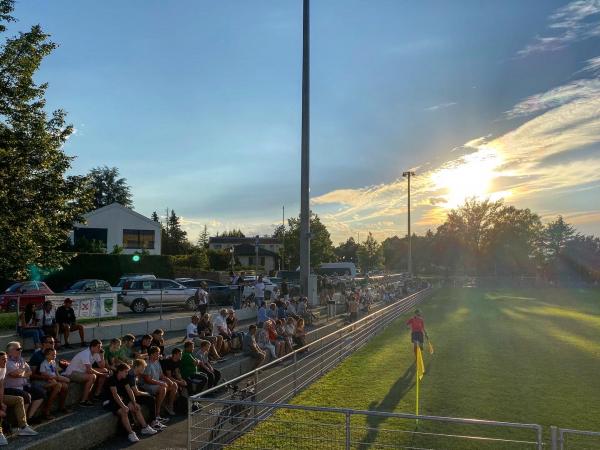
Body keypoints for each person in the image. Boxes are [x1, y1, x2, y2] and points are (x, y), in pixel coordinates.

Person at [104, 363, 157, 442]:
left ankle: (145, 427)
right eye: (125, 371)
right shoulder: (112, 379)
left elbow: (129, 391)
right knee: (124, 412)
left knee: (136, 407)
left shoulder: (124, 378)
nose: (127, 373)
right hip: (109, 401)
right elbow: (115, 395)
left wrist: (134, 402)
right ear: (120, 371)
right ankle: (131, 433)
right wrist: (124, 406)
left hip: (120, 399)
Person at [0, 351, 38, 442]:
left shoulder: (3, 368)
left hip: (1, 396)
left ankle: (23, 427)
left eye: (5, 359)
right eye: (2, 360)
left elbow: (1, 387)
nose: (5, 361)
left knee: (19, 399)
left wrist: (1, 402)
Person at [4, 342, 46, 421]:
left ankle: (29, 417)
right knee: (26, 396)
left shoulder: (21, 359)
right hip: (11, 388)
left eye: (21, 349)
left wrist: (21, 372)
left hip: (23, 385)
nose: (20, 351)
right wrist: (23, 371)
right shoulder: (7, 361)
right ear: (10, 351)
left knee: (41, 393)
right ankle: (22, 421)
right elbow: (15, 374)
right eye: (18, 349)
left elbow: (30, 371)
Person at [64, 339, 109, 407]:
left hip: (82, 371)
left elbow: (102, 366)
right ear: (92, 347)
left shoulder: (96, 353)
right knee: (92, 376)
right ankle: (83, 401)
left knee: (105, 370)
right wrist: (102, 374)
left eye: (101, 347)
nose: (100, 349)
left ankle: (97, 394)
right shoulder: (85, 354)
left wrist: (102, 355)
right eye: (98, 347)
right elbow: (89, 370)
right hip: (72, 373)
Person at [127, 359, 166, 430]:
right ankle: (153, 422)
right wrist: (147, 393)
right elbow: (136, 393)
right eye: (142, 367)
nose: (144, 369)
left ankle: (154, 420)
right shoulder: (131, 375)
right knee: (151, 398)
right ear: (136, 367)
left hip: (133, 394)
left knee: (151, 398)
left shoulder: (135, 373)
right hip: (129, 397)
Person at [140, 346, 177, 420]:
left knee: (174, 385)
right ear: (151, 355)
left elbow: (161, 375)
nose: (159, 355)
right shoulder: (147, 364)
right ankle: (157, 413)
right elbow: (147, 380)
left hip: (155, 383)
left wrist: (168, 380)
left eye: (159, 353)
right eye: (157, 353)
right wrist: (161, 383)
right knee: (162, 388)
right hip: (146, 385)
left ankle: (169, 407)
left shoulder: (157, 361)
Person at [38, 348, 70, 418]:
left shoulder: (53, 362)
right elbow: (43, 375)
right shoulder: (43, 364)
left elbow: (56, 372)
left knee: (65, 386)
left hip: (55, 379)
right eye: (52, 355)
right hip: (48, 381)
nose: (54, 356)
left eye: (55, 354)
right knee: (58, 385)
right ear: (46, 356)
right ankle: (47, 410)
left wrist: (59, 377)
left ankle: (61, 406)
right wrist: (55, 378)